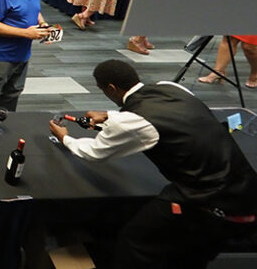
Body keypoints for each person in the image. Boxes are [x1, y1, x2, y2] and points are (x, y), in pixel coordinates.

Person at [48, 59, 257, 269]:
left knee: (134, 242)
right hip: (243, 182)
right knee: (191, 252)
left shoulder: (132, 120)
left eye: (103, 90)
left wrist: (65, 137)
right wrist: (110, 116)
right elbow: (169, 117)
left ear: (111, 88)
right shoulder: (170, 87)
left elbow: (95, 152)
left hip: (207, 198)